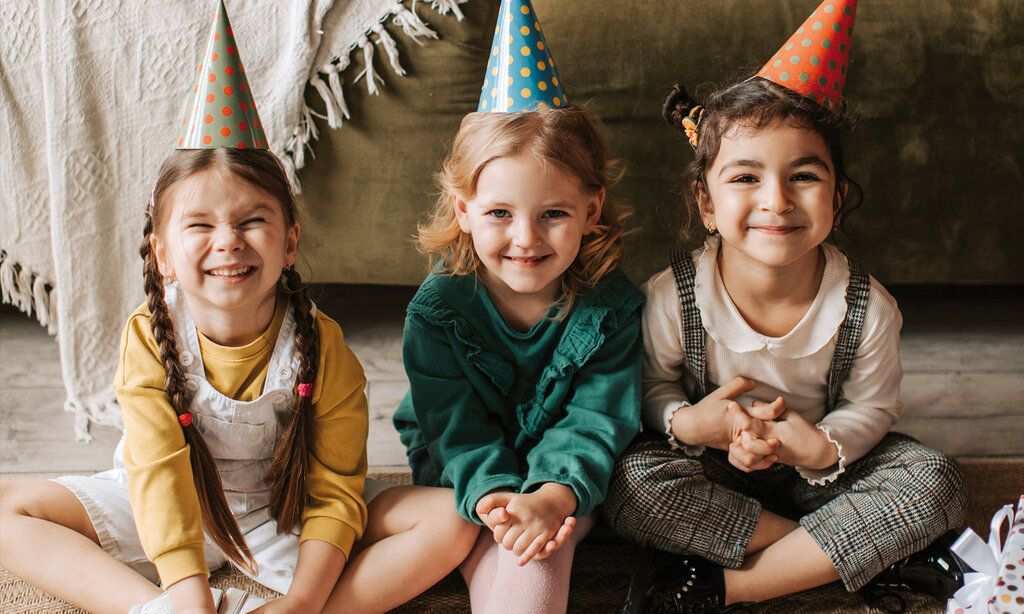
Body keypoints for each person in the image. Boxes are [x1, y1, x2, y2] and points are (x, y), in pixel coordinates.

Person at [0, 3, 477, 613]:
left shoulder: (320, 344)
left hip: (280, 510)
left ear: (290, 241)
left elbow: (334, 491)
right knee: (9, 511)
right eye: (200, 225)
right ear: (163, 253)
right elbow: (160, 473)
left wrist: (304, 600)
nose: (227, 241)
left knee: (454, 517)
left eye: (252, 221)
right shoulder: (150, 335)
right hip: (163, 506)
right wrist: (187, 596)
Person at [601, 1, 968, 612]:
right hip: (714, 469)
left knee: (935, 484)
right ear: (706, 203)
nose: (776, 200)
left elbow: (871, 405)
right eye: (745, 178)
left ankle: (731, 584)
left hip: (827, 474)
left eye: (803, 176)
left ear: (838, 197)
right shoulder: (673, 296)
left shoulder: (865, 308)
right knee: (629, 484)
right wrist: (691, 423)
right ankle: (853, 557)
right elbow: (651, 386)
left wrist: (820, 447)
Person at [392, 4, 644, 612]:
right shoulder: (438, 310)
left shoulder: (610, 307)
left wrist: (552, 496)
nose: (526, 239)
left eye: (553, 213)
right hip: (466, 472)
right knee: (508, 546)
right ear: (462, 210)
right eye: (499, 214)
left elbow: (598, 417)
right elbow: (452, 426)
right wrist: (496, 497)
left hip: (568, 479)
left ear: (591, 208)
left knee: (540, 552)